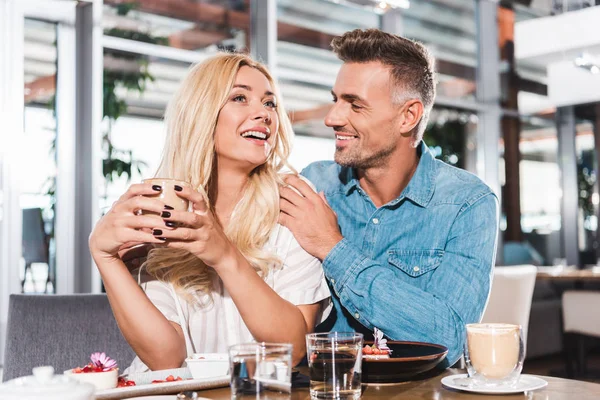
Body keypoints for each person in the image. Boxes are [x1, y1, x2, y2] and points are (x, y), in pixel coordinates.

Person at [89, 53, 330, 372]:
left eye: (270, 103)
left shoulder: (292, 204)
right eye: (240, 98)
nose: (263, 113)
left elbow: (292, 348)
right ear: (201, 113)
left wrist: (223, 254)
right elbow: (167, 359)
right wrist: (105, 258)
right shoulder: (161, 210)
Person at [278, 29, 499, 367]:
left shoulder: (468, 203)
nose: (332, 117)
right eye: (336, 99)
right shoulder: (314, 182)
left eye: (355, 105)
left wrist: (333, 248)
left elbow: (448, 340)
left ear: (408, 116)